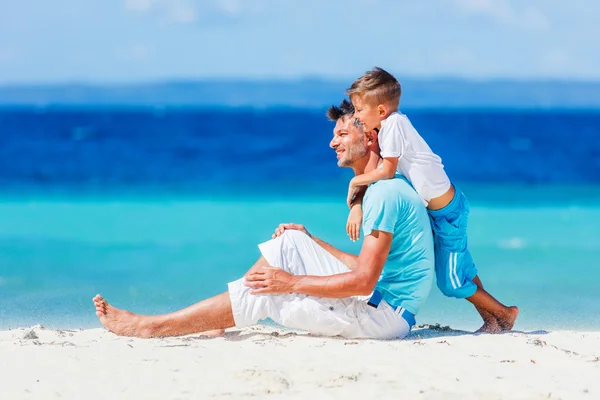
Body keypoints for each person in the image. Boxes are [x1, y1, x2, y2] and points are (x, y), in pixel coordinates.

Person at [92, 99, 435, 340]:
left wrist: (290, 282)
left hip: (382, 319)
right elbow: (369, 269)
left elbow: (362, 282)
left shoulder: (385, 194)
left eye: (343, 134)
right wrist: (312, 242)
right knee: (290, 240)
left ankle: (151, 327)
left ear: (371, 136)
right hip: (385, 307)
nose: (333, 143)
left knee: (270, 290)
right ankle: (217, 319)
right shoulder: (381, 188)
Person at [343, 66, 518, 333]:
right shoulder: (390, 125)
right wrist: (357, 205)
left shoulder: (392, 126)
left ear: (380, 111)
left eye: (359, 110)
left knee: (451, 282)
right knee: (461, 268)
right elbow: (378, 170)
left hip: (447, 211)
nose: (356, 116)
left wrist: (354, 182)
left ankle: (505, 313)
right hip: (441, 211)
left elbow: (386, 172)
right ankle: (492, 319)